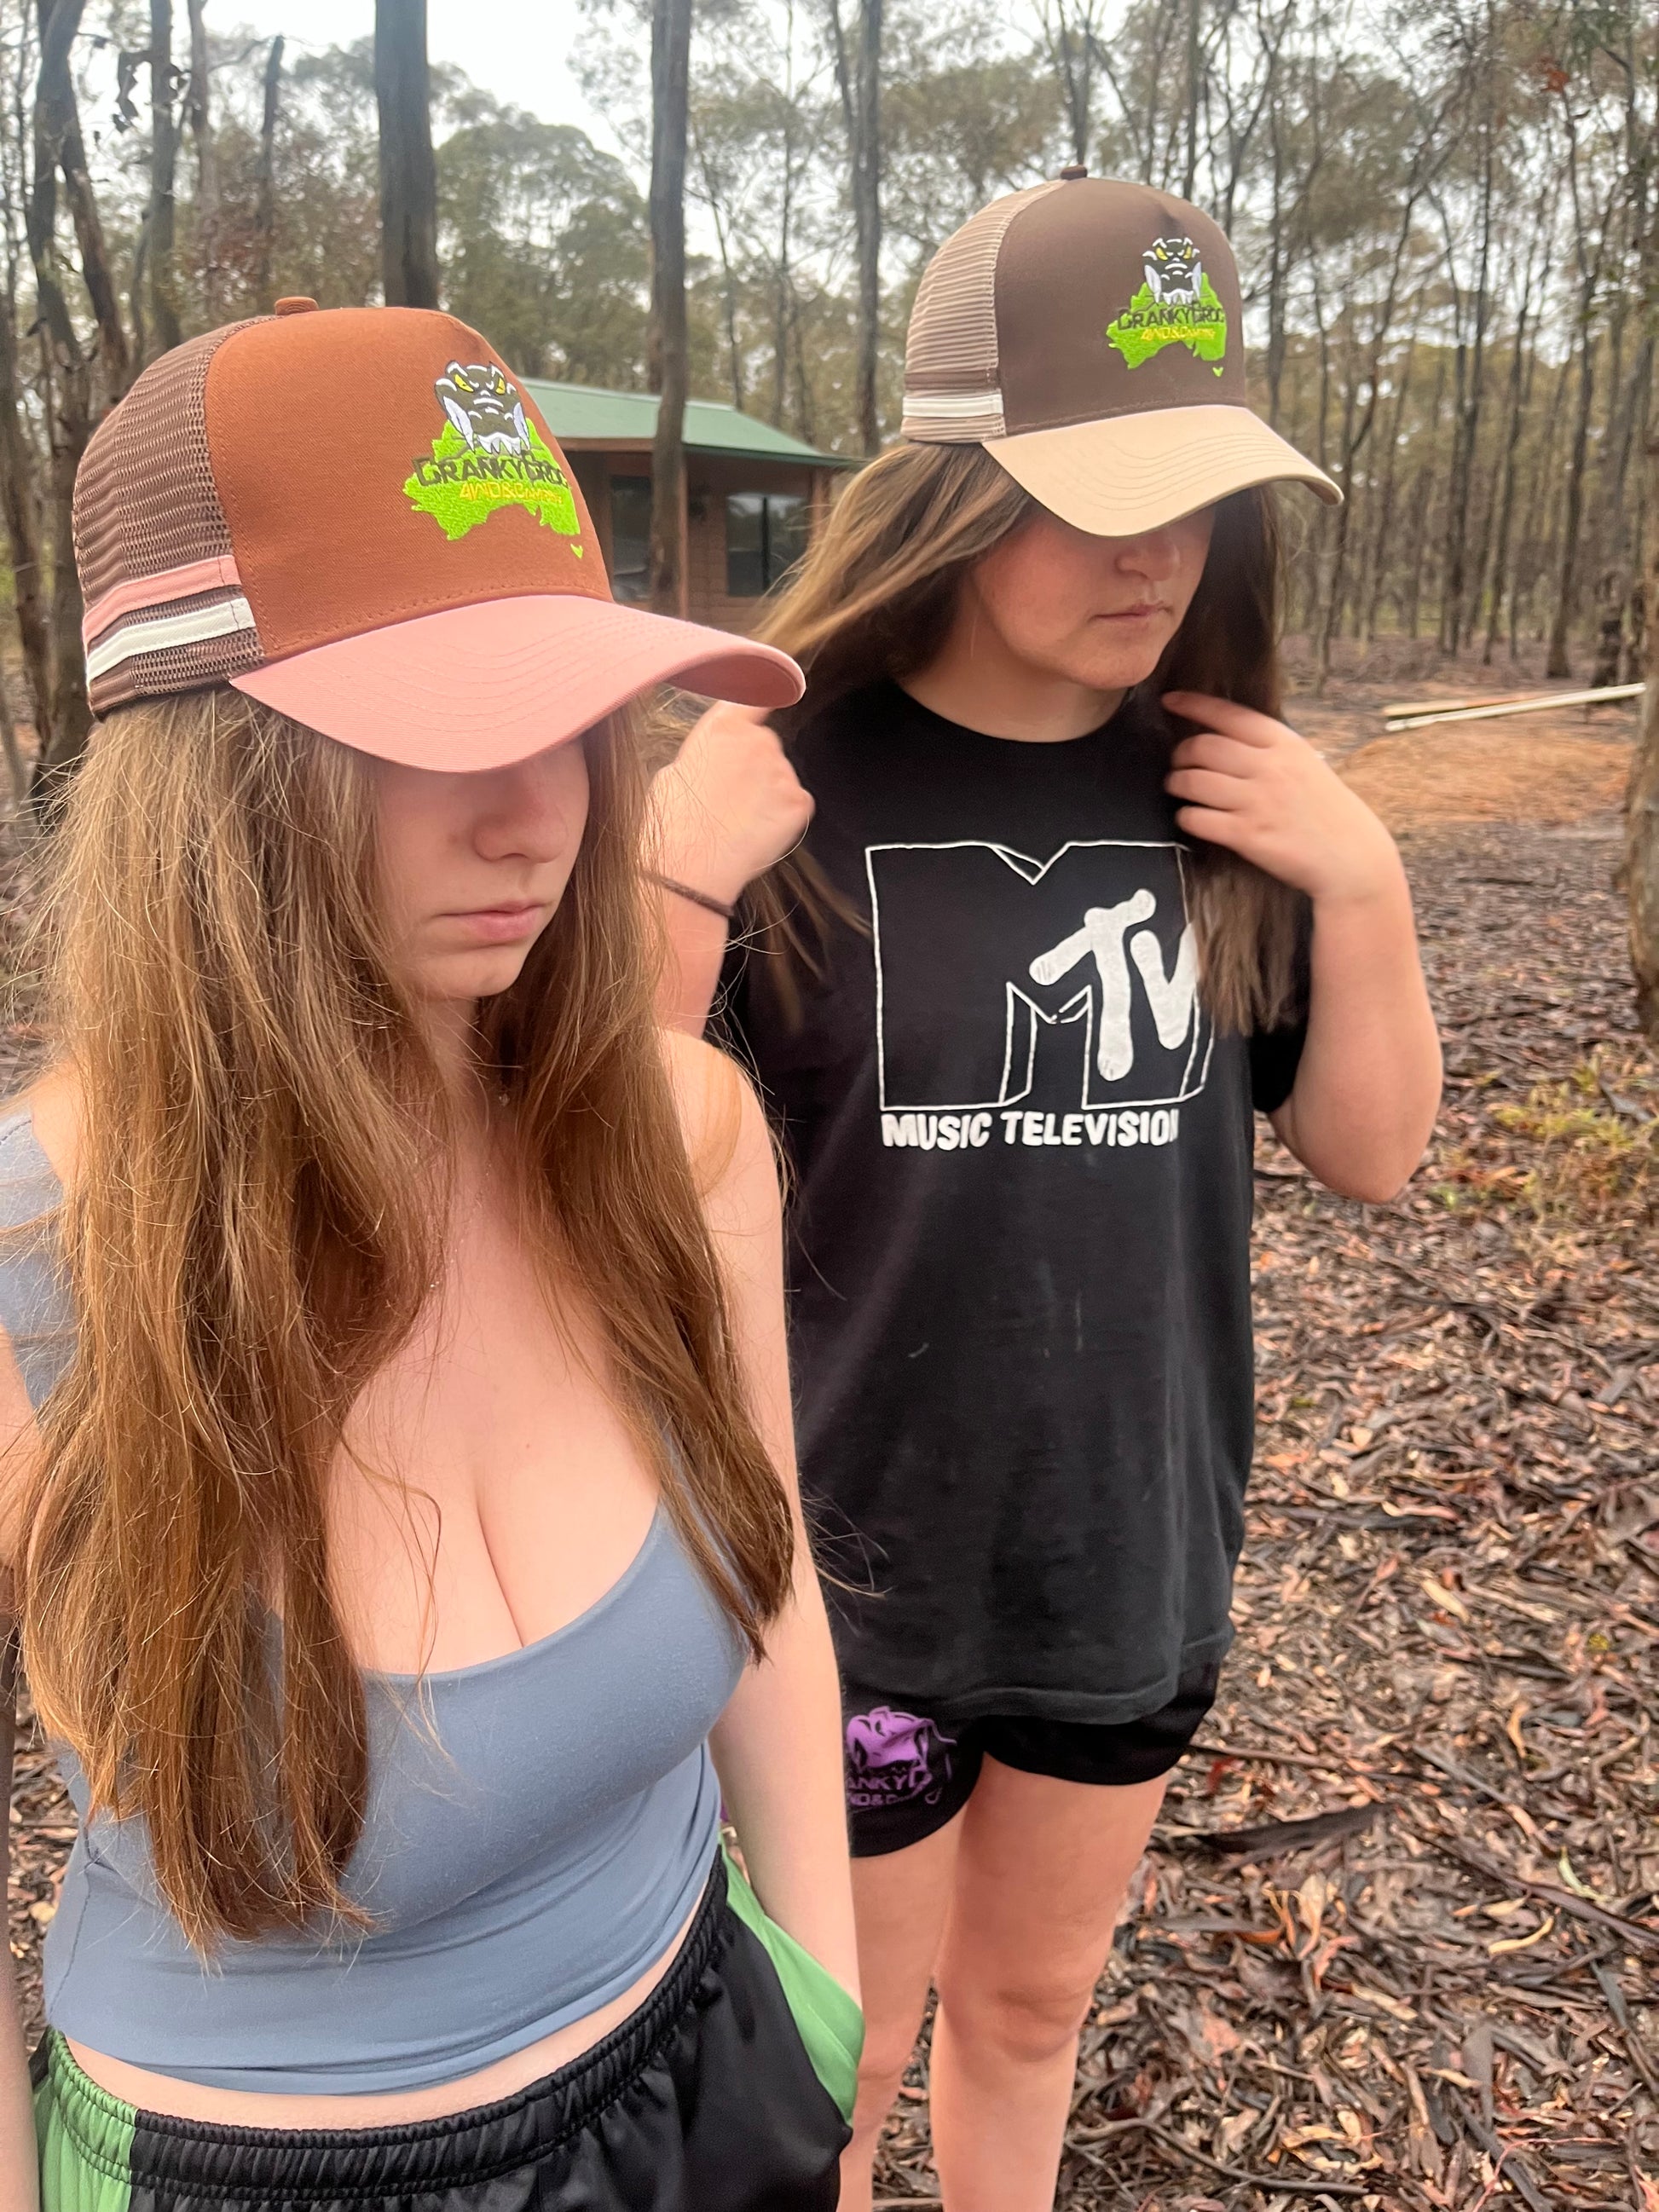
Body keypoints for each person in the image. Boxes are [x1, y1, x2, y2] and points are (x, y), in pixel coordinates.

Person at [0, 301, 860, 2212]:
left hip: (713, 2075)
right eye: (439, 731)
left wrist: (828, 2031)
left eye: (574, 719)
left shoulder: (674, 1140)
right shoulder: (33, 1274)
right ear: (208, 774)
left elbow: (772, 1583)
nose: (539, 813)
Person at [648, 175, 1442, 2211]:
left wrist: (1360, 879)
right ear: (955, 486)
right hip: (853, 1575)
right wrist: (666, 887)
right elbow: (615, 1185)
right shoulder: (781, 787)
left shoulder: (1229, 790)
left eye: (1199, 495)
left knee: (1029, 2007)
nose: (1157, 550)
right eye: (1099, 497)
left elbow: (1369, 1148)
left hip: (1126, 1547)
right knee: (850, 2043)